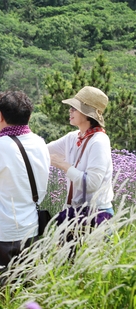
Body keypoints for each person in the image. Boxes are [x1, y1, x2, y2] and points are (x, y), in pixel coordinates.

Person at [0, 91, 50, 287]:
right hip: (29, 227)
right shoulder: (40, 143)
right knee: (25, 289)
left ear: (1, 116)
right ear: (28, 117)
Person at [47, 86, 113, 218]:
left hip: (96, 215)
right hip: (76, 213)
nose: (70, 111)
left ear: (88, 114)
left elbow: (91, 184)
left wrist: (64, 165)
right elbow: (41, 150)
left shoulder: (99, 141)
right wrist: (10, 138)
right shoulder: (73, 137)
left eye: (74, 108)